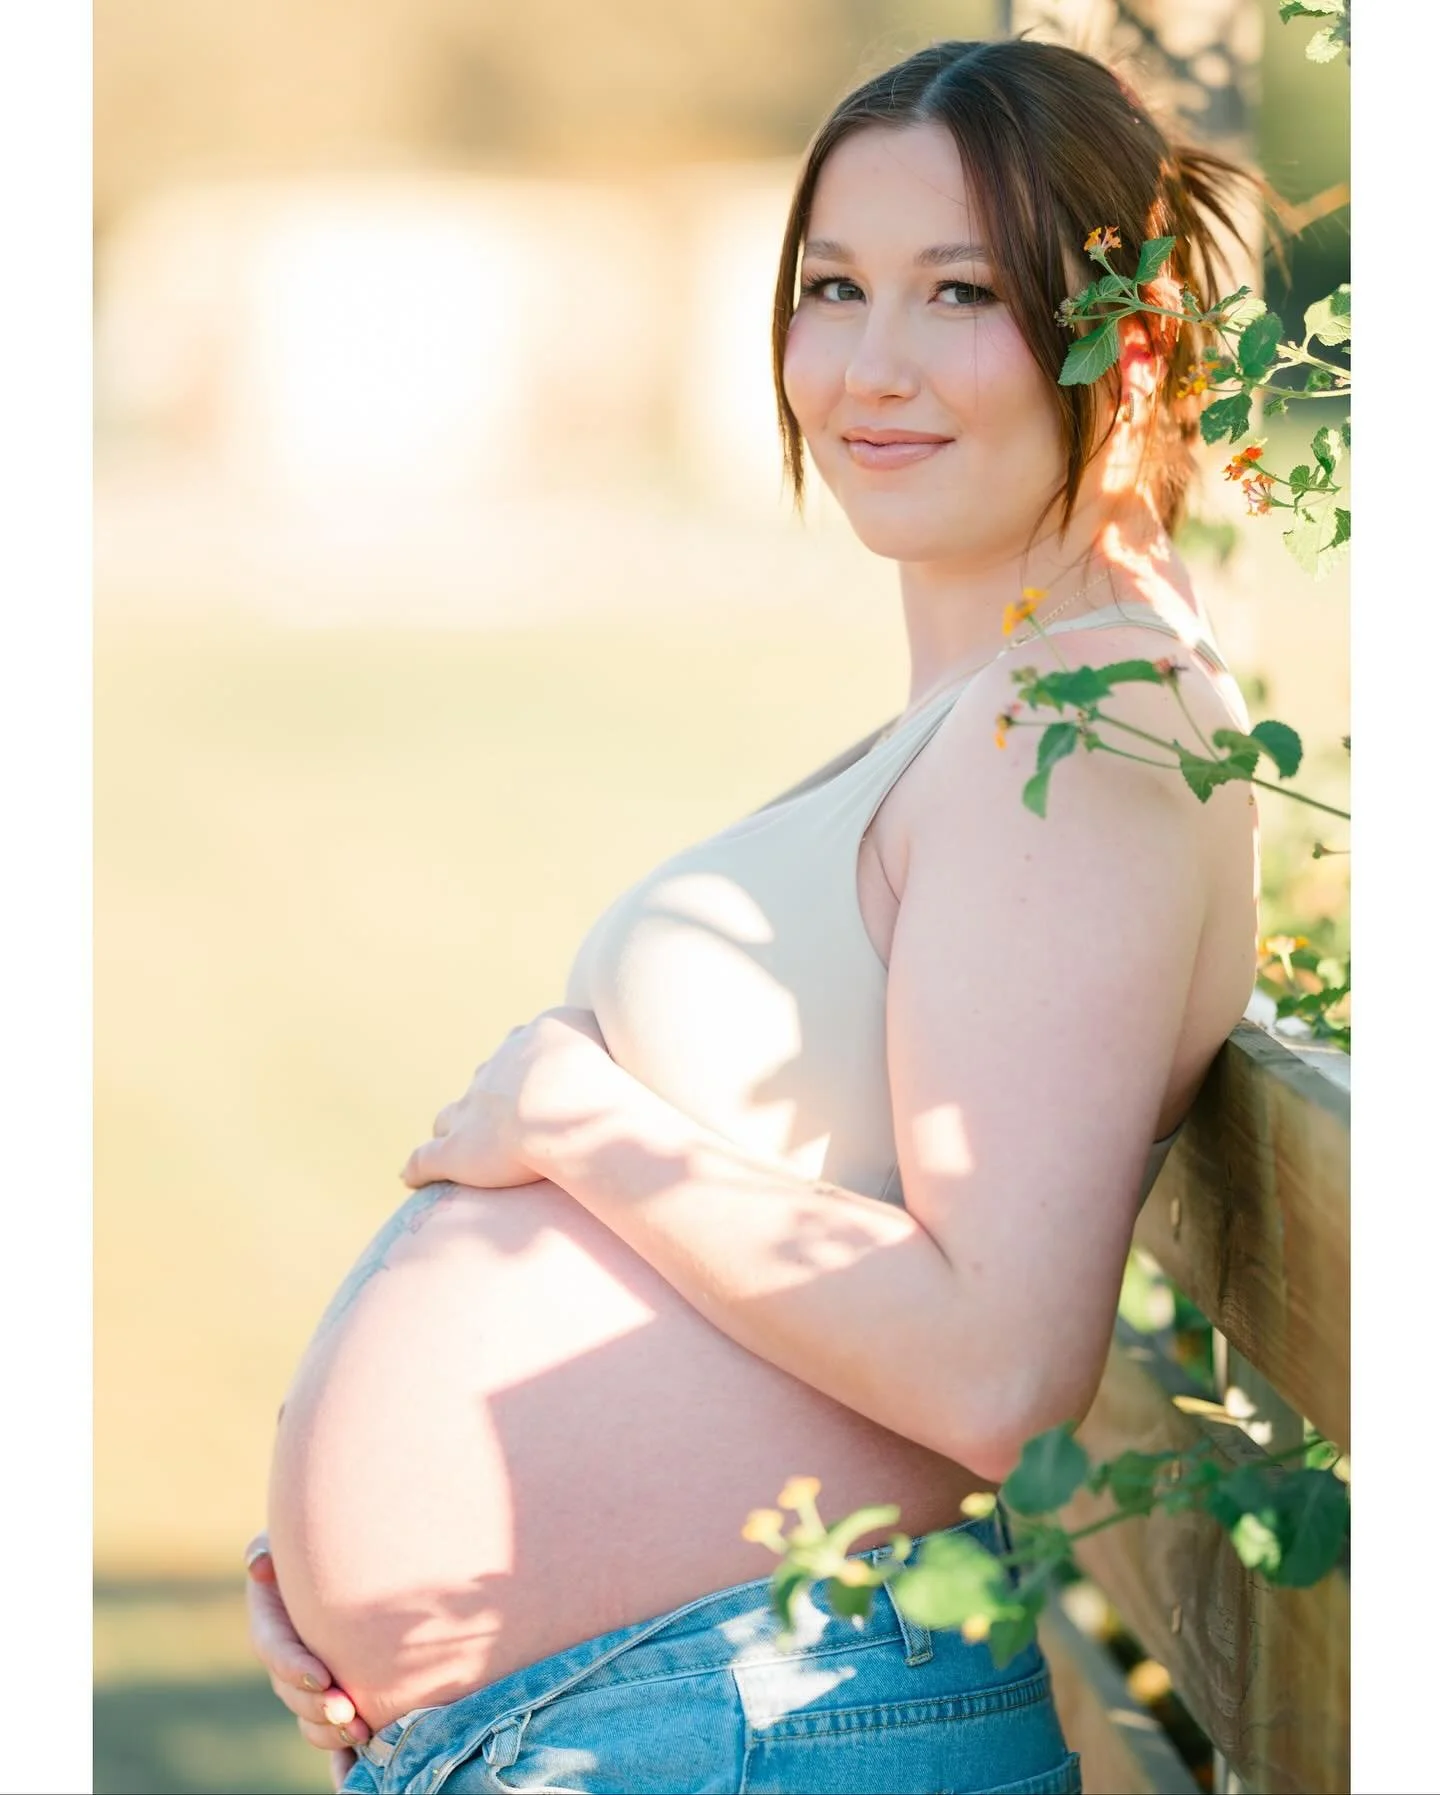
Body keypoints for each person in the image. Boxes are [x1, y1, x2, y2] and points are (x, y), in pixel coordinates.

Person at [246, 35, 1260, 1794]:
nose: (869, 367)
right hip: (648, 1710)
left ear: (1126, 339)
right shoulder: (998, 715)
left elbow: (1004, 1360)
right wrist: (380, 1602)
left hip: (751, 1720)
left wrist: (586, 1127)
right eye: (831, 288)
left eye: (963, 292)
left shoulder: (1081, 730)